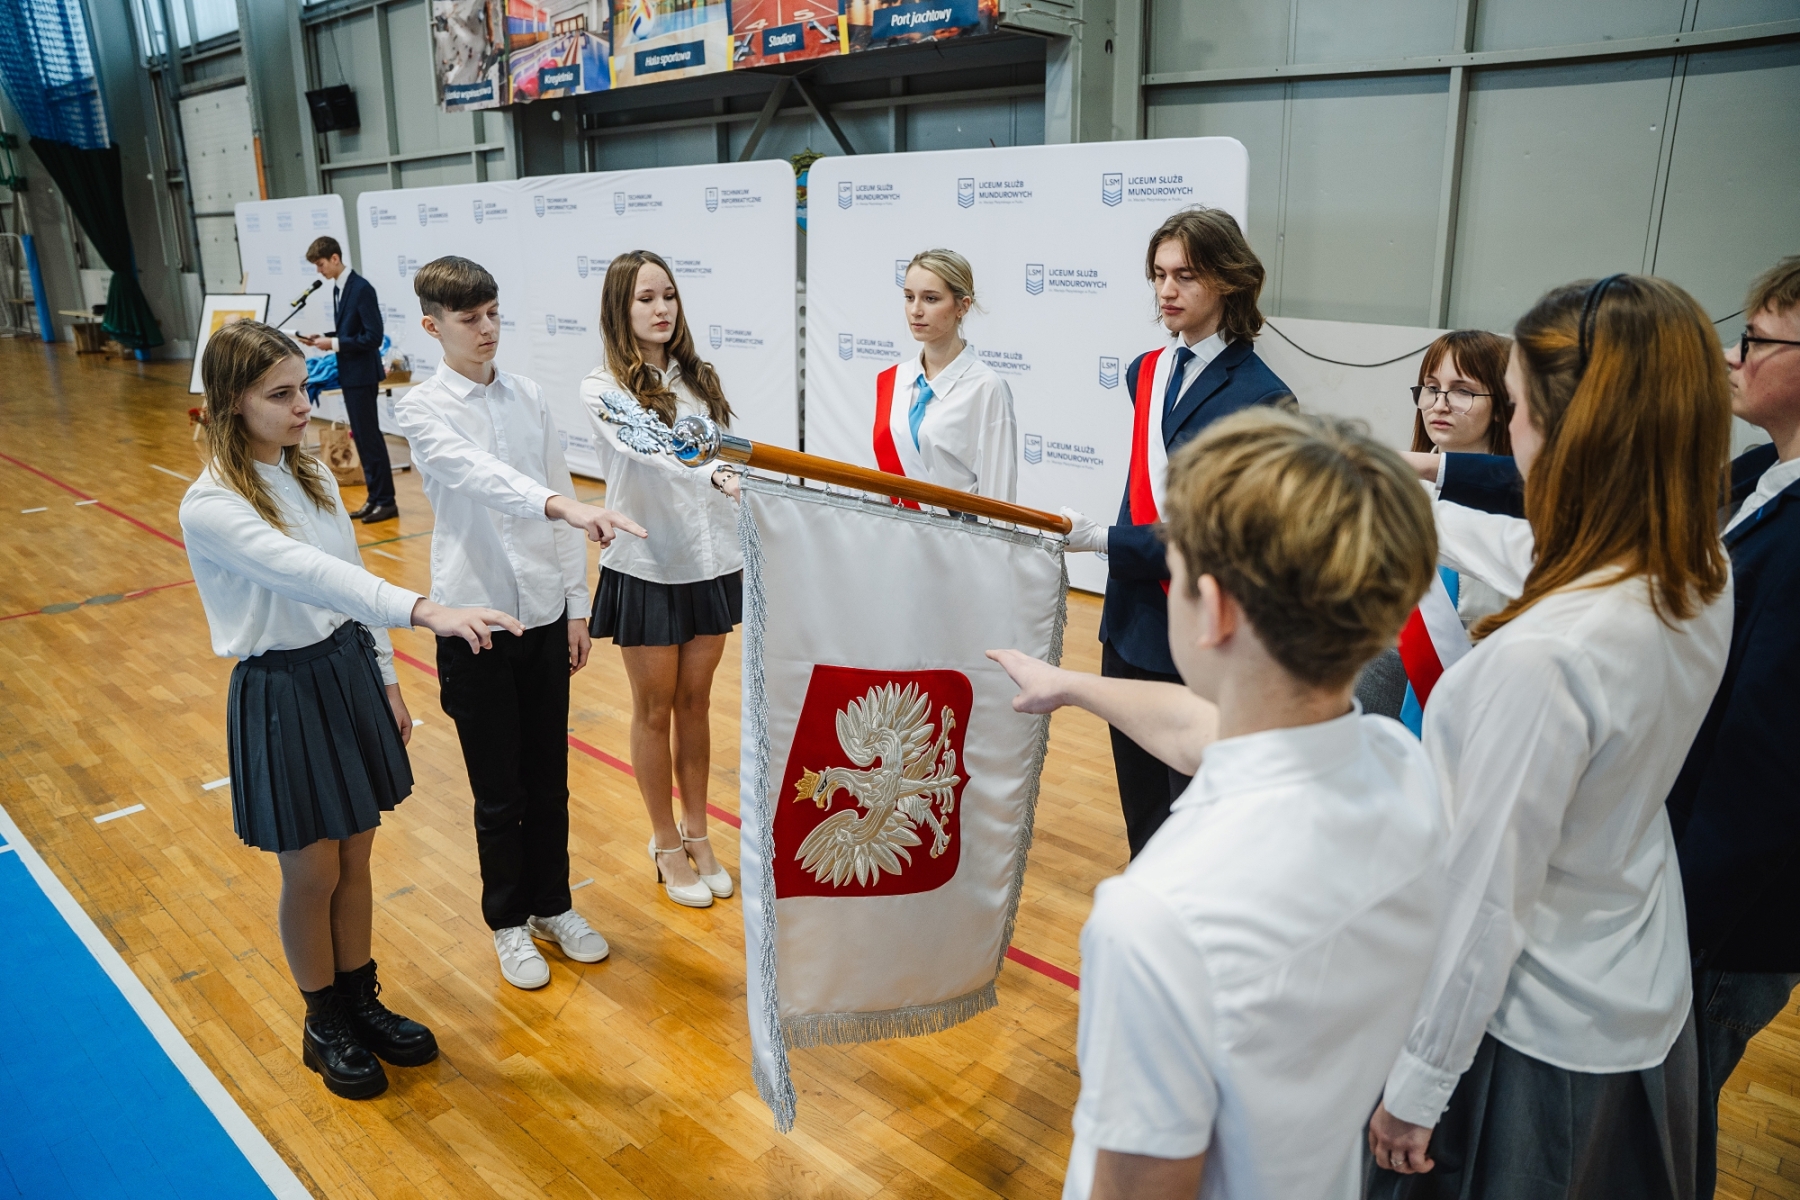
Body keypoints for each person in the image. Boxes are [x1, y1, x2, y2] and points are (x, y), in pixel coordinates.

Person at [991, 407, 1447, 1199]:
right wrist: (1071, 686)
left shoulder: (1157, 920)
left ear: (1216, 607)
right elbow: (1213, 731)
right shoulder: (1398, 764)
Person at [1367, 275, 1735, 1199]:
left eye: (1517, 405)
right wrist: (1403, 499)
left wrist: (1416, 1087)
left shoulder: (1546, 659)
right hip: (1635, 979)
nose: (1513, 428)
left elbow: (1486, 895)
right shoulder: (1695, 566)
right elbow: (1539, 556)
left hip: (1528, 1026)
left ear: (1573, 434)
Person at [179, 319, 524, 1099]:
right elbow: (307, 574)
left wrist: (387, 679)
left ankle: (360, 997)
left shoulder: (311, 474)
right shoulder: (212, 505)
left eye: (304, 388)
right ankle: (323, 1019)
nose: (304, 406)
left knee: (358, 853)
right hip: (282, 688)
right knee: (312, 870)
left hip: (345, 669)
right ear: (232, 403)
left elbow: (348, 575)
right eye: (280, 395)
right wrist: (425, 610)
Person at [392, 256, 646, 990]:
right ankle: (507, 923)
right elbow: (478, 475)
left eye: (494, 314)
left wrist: (575, 607)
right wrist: (563, 505)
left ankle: (553, 907)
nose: (487, 329)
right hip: (473, 624)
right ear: (433, 326)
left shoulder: (529, 396)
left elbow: (559, 492)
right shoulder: (421, 408)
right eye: (470, 319)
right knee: (498, 792)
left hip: (543, 616)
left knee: (549, 782)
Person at [1060, 206, 1294, 858]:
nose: (1167, 289)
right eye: (1159, 275)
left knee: (1191, 825)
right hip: (1129, 624)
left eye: (1185, 275)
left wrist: (1102, 540)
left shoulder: (1264, 398)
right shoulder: (1144, 371)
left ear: (1229, 280)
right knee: (1140, 815)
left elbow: (1216, 539)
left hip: (1198, 635)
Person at [1666, 257, 1800, 1200]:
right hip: (1692, 878)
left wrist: (1679, 930)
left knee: (1670, 1124)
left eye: (1755, 339)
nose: (1730, 356)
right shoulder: (1760, 472)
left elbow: (1765, 767)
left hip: (1724, 918)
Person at [580, 249, 741, 909]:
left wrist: (748, 481)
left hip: (709, 565)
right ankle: (665, 841)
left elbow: (731, 451)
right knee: (653, 710)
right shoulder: (603, 388)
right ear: (620, 309)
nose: (661, 308)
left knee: (696, 704)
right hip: (647, 567)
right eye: (645, 298)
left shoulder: (700, 377)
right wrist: (717, 471)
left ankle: (699, 833)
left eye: (668, 295)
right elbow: (652, 445)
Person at [870, 249, 1018, 502]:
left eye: (930, 298)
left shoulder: (986, 387)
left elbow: (999, 498)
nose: (915, 310)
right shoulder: (894, 380)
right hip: (892, 526)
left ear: (962, 306)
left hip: (953, 528)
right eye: (909, 297)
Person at [303, 237, 396, 524]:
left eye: (320, 264)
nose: (319, 271)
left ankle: (386, 501)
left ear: (335, 258)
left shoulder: (361, 288)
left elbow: (373, 337)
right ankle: (374, 498)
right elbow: (350, 331)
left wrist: (334, 344)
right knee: (363, 439)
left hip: (362, 374)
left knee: (370, 439)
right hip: (351, 373)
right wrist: (325, 338)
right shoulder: (340, 287)